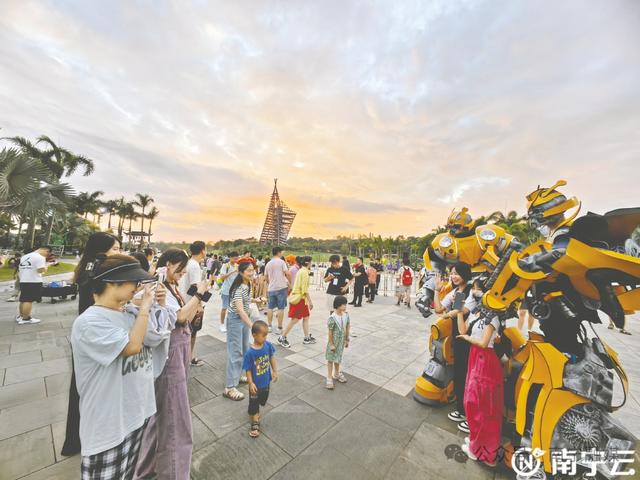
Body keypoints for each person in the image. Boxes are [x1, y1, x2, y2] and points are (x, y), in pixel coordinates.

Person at [71, 254, 158, 480]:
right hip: (108, 426)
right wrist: (145, 308)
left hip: (134, 415)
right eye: (134, 282)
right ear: (112, 283)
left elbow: (156, 338)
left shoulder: (127, 312)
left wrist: (146, 307)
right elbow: (132, 347)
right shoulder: (89, 322)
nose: (138, 287)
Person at [135, 248, 208, 480]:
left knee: (160, 415)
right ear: (168, 264)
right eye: (180, 267)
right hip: (170, 354)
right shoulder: (158, 287)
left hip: (178, 351)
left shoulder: (169, 286)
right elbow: (179, 317)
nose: (183, 271)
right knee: (177, 421)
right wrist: (199, 296)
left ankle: (146, 468)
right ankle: (175, 473)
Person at [62, 232, 121, 457]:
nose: (119, 253)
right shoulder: (98, 270)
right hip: (95, 335)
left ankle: (74, 440)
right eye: (115, 249)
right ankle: (85, 439)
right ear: (100, 250)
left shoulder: (88, 268)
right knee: (90, 389)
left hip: (87, 334)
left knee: (80, 387)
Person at [457, 303, 503, 466]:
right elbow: (462, 330)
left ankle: (482, 451)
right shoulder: (478, 314)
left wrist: (467, 338)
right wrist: (458, 311)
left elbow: (483, 343)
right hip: (476, 358)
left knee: (481, 406)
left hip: (485, 361)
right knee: (473, 404)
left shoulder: (494, 318)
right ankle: (477, 443)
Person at [434, 262, 473, 434]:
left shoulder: (471, 289)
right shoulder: (457, 292)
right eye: (452, 273)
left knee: (467, 374)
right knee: (459, 372)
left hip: (470, 338)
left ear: (465, 273)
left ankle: (467, 412)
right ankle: (461, 408)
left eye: (457, 273)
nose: (454, 276)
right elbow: (439, 309)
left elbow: (461, 310)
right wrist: (436, 290)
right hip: (459, 337)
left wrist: (450, 312)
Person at [224, 260, 262, 401]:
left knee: (245, 349)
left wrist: (255, 300)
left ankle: (238, 375)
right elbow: (239, 310)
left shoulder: (248, 284)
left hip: (243, 320)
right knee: (235, 352)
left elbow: (245, 302)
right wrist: (253, 326)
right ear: (241, 272)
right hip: (235, 320)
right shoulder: (239, 287)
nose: (252, 273)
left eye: (253, 270)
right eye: (248, 271)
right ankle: (229, 387)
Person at [243, 320, 278, 438]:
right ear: (254, 335)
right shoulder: (250, 353)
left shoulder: (267, 345)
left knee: (263, 399)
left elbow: (272, 357)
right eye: (263, 335)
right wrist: (250, 383)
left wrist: (275, 371)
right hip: (255, 385)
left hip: (265, 382)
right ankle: (255, 422)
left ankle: (254, 410)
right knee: (254, 403)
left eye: (266, 335)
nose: (265, 337)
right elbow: (247, 369)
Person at [179, 241, 207, 366]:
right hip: (191, 303)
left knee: (186, 332)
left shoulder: (188, 263)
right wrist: (199, 305)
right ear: (202, 251)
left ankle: (185, 358)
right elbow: (195, 287)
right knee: (192, 332)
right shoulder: (195, 265)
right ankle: (188, 358)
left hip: (184, 301)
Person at [278, 256, 315, 348]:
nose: (311, 264)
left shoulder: (302, 271)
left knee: (306, 317)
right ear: (307, 263)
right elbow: (304, 289)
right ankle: (282, 337)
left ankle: (306, 337)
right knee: (295, 319)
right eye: (311, 262)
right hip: (300, 299)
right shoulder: (304, 273)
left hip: (299, 298)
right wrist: (310, 302)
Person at [16, 245, 52, 324]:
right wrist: (46, 266)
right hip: (33, 281)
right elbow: (40, 270)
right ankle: (26, 319)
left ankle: (21, 316)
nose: (47, 256)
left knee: (23, 299)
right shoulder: (40, 257)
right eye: (48, 254)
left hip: (23, 280)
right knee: (29, 300)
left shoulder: (25, 256)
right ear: (46, 251)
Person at [264, 246, 292, 334]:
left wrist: (270, 283)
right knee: (281, 308)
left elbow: (266, 276)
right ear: (279, 252)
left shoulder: (268, 263)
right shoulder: (281, 262)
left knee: (270, 307)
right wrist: (290, 283)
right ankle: (279, 328)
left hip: (271, 288)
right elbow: (288, 273)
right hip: (281, 288)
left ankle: (269, 326)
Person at [325, 295, 350, 390]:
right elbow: (330, 332)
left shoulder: (346, 315)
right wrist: (331, 344)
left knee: (338, 358)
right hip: (334, 342)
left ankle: (336, 373)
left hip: (341, 342)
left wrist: (347, 339)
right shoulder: (332, 317)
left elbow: (348, 326)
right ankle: (329, 377)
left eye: (345, 304)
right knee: (330, 359)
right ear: (338, 305)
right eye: (344, 304)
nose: (345, 306)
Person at [218, 251, 240, 333]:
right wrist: (233, 271)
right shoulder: (225, 265)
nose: (236, 260)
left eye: (237, 258)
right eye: (234, 258)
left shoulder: (237, 266)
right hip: (226, 290)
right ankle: (222, 324)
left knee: (234, 308)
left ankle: (231, 324)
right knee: (224, 308)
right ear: (230, 257)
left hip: (235, 291)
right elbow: (222, 277)